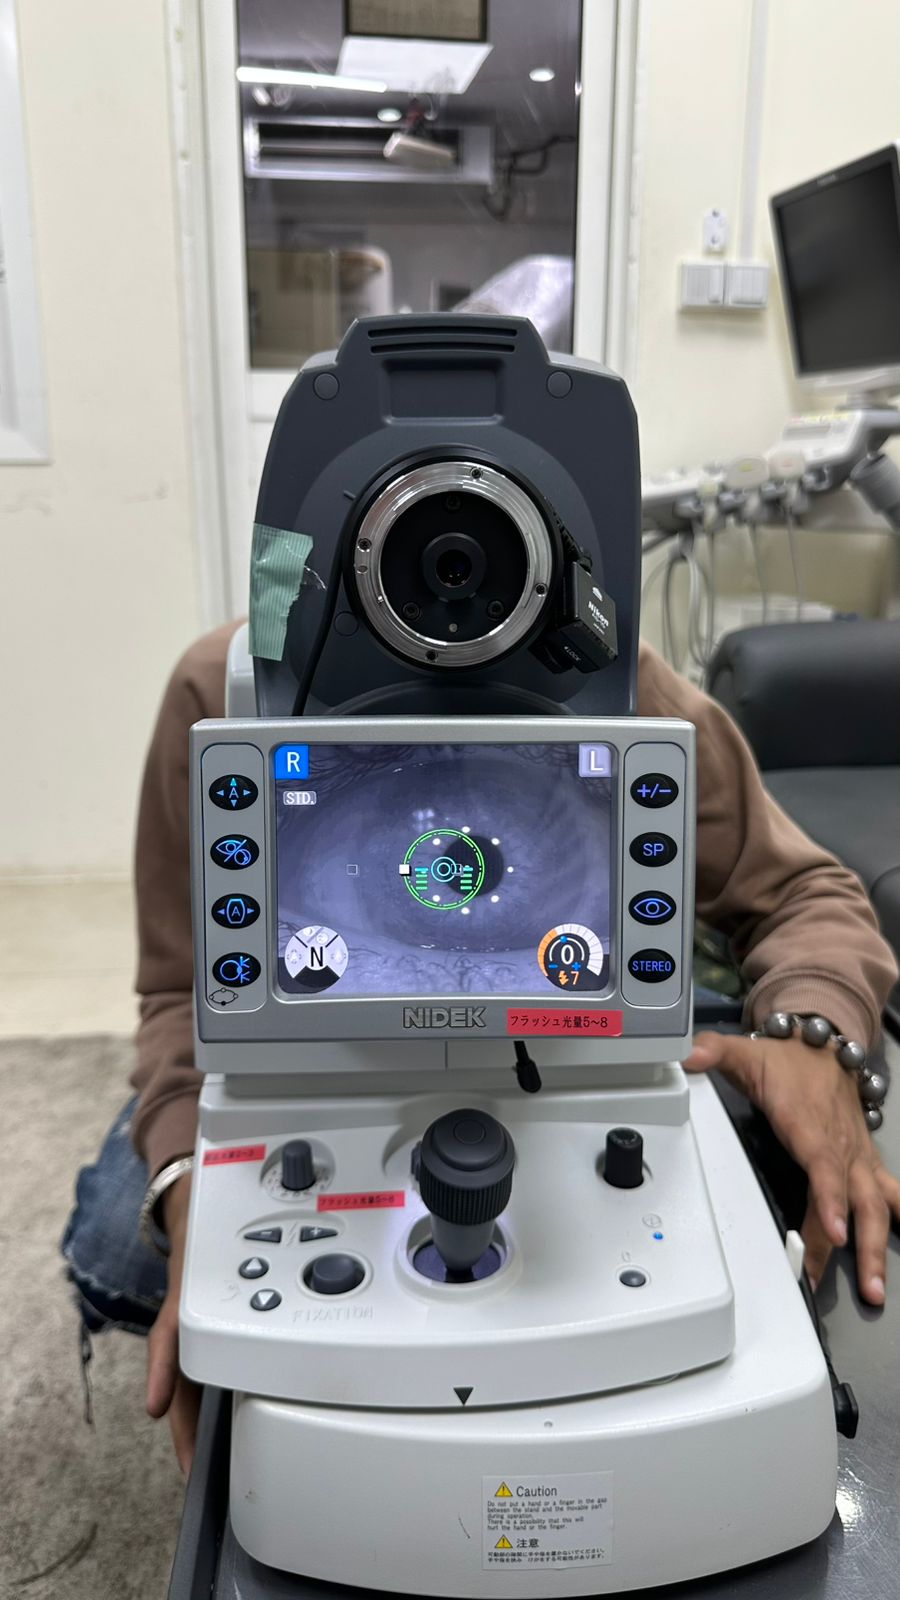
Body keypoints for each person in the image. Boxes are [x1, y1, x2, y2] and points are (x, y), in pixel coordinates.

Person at [62, 621, 900, 1474]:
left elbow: (804, 890)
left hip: (573, 1073)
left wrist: (815, 1029)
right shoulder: (218, 682)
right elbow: (177, 989)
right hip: (288, 1075)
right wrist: (189, 1190)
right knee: (121, 1251)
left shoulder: (619, 679)